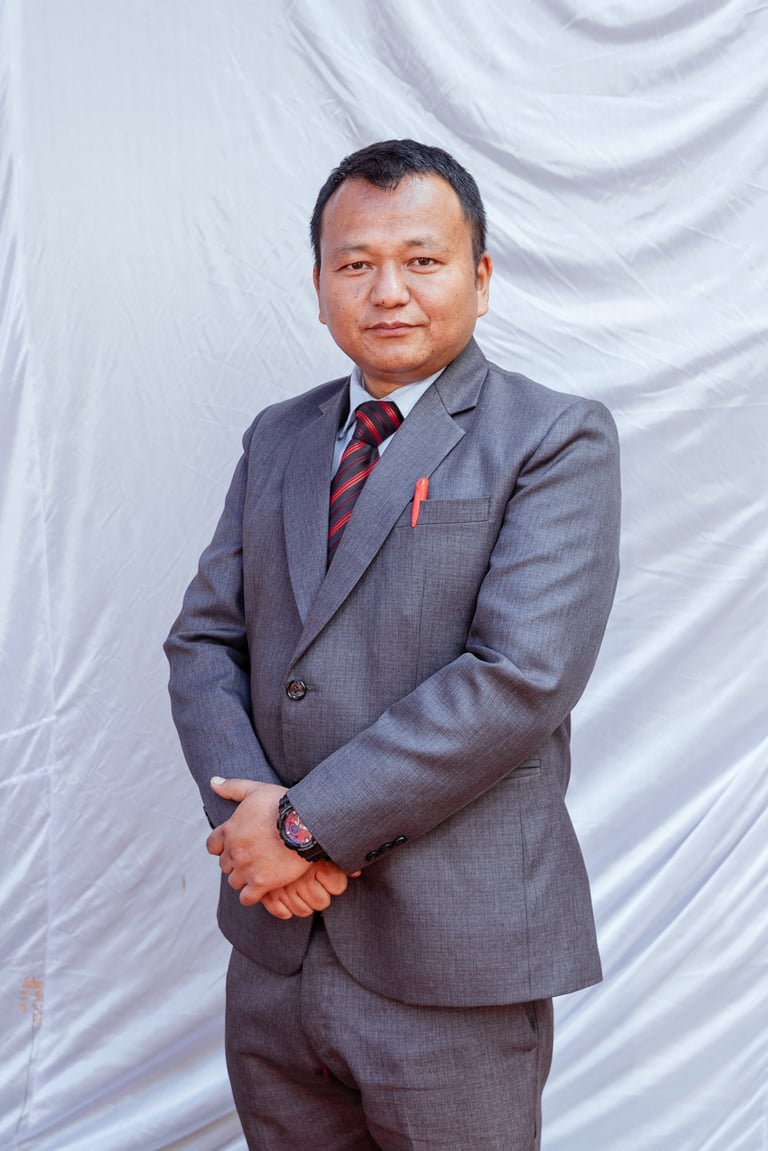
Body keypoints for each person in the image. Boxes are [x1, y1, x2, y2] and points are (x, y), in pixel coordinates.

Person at [164, 138, 621, 1150]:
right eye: (356, 263)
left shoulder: (553, 438)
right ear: (319, 285)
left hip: (451, 958)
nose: (388, 291)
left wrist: (301, 829)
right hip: (277, 951)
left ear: (480, 277)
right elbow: (203, 641)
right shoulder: (278, 437)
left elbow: (518, 677)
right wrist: (251, 823)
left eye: (422, 259)